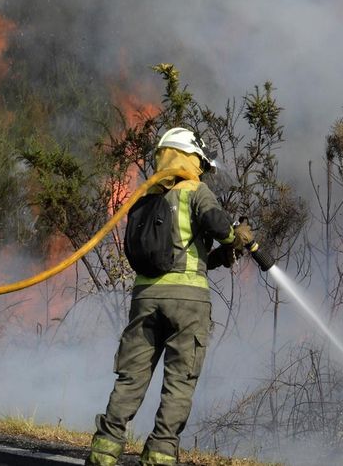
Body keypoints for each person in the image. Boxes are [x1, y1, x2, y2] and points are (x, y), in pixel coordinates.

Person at [86, 127, 254, 466]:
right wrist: (237, 237)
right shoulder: (195, 190)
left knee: (132, 375)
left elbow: (181, 251)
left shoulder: (145, 199)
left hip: (145, 298)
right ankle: (161, 452)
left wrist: (220, 256)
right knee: (179, 381)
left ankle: (105, 450)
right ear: (192, 158)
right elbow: (217, 225)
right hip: (188, 303)